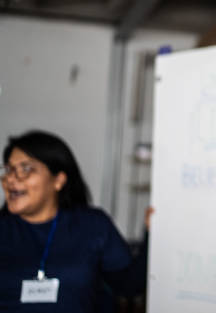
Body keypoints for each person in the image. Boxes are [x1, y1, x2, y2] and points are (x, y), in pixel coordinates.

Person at [0, 130, 148, 312]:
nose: (11, 179)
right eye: (8, 169)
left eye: (25, 169)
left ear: (58, 180)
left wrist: (151, 232)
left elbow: (129, 286)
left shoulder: (92, 226)